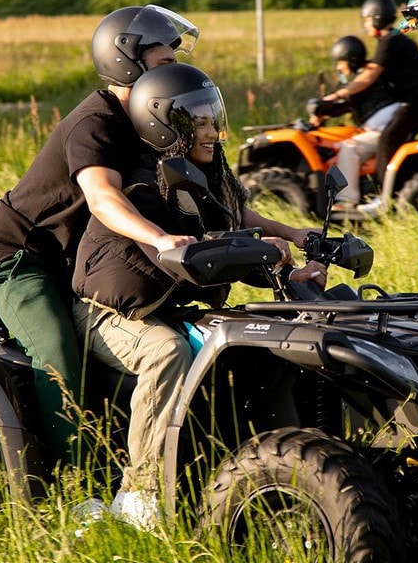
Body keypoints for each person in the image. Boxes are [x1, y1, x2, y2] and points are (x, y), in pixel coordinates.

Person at [0, 5, 201, 467]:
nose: (173, 70)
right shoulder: (95, 121)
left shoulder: (146, 118)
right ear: (126, 61)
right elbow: (102, 198)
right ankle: (76, 485)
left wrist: (286, 234)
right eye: (163, 62)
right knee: (56, 350)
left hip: (78, 264)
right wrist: (160, 239)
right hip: (20, 260)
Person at [71, 63, 326, 529]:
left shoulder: (207, 173)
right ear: (164, 123)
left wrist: (293, 254)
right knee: (165, 353)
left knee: (271, 335)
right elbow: (175, 238)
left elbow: (235, 219)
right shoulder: (142, 183)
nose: (213, 131)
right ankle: (139, 499)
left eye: (213, 119)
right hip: (106, 313)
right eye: (200, 122)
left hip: (165, 306)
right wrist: (164, 240)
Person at [320, 0, 418, 211]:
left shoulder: (390, 41)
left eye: (367, 20)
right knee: (394, 140)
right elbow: (369, 71)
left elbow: (368, 77)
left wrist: (335, 96)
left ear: (376, 18)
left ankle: (382, 198)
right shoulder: (390, 42)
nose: (365, 26)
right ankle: (388, 192)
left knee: (387, 140)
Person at [311, 35, 400, 211]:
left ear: (351, 60)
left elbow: (348, 101)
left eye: (340, 62)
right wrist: (324, 111)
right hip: (381, 130)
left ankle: (346, 201)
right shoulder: (364, 75)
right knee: (340, 144)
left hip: (383, 131)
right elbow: (349, 104)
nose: (337, 67)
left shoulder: (364, 78)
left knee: (349, 149)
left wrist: (322, 107)